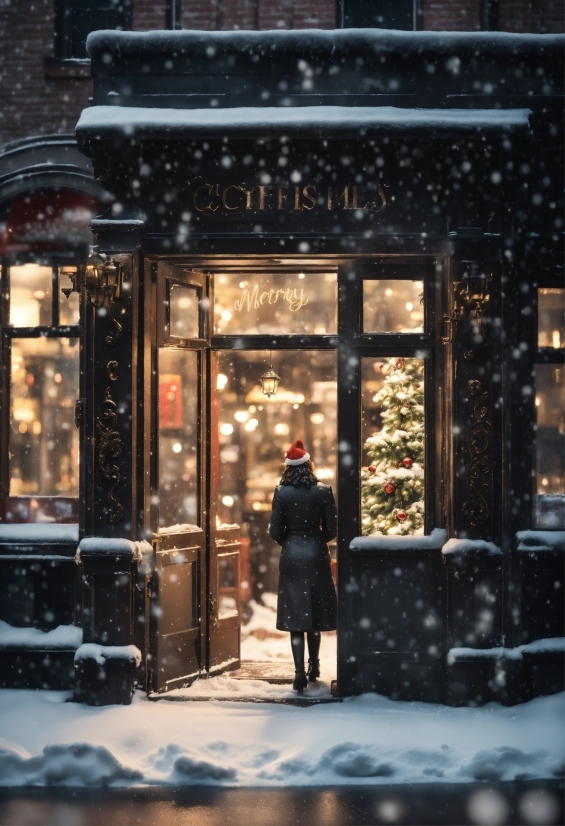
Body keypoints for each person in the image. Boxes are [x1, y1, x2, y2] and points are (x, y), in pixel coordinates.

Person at [269, 440, 337, 692]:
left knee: (295, 614)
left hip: (292, 556)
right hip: (317, 553)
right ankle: (315, 666)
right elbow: (331, 530)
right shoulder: (323, 490)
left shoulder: (281, 492)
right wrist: (316, 539)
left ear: (288, 468)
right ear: (309, 465)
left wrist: (289, 541)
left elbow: (274, 530)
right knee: (315, 613)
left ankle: (298, 672)